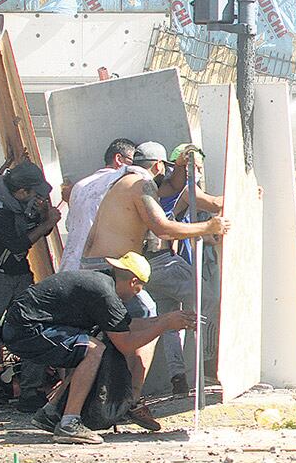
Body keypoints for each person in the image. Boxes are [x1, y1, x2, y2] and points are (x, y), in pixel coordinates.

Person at [82, 141, 229, 426]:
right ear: (159, 166)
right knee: (154, 316)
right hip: (112, 268)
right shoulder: (142, 185)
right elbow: (163, 227)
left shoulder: (124, 180)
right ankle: (134, 400)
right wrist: (208, 227)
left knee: (142, 321)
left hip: (106, 265)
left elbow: (175, 188)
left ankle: (129, 396)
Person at [2, 254, 197, 444]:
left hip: (25, 325)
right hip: (25, 328)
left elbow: (126, 326)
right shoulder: (105, 293)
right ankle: (69, 424)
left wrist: (167, 319)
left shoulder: (104, 284)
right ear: (133, 281)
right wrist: (164, 325)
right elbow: (126, 345)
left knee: (84, 351)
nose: (137, 294)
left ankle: (51, 413)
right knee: (93, 350)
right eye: (139, 288)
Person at [145, 143, 223, 395]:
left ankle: (178, 376)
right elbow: (215, 203)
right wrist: (247, 193)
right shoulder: (183, 190)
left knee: (168, 320)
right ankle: (203, 364)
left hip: (147, 267)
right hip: (163, 261)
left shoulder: (155, 189)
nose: (198, 174)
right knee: (208, 299)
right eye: (196, 168)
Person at [0, 163, 63, 409]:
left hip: (19, 272)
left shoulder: (17, 202)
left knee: (32, 326)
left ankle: (31, 391)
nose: (38, 199)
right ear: (20, 192)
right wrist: (45, 224)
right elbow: (18, 244)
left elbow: (32, 228)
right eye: (35, 195)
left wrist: (45, 218)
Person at [60, 139, 137, 272]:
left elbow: (69, 225)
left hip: (69, 265)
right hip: (96, 267)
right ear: (119, 159)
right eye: (133, 161)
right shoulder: (119, 182)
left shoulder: (80, 185)